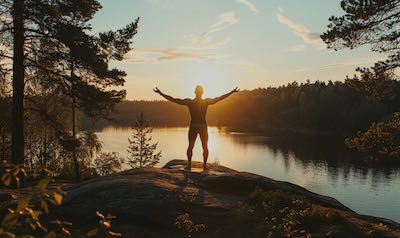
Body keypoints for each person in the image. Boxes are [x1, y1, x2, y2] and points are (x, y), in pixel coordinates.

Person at [153, 85, 239, 171]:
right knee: (204, 146)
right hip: (202, 126)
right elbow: (219, 98)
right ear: (202, 93)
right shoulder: (205, 102)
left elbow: (174, 100)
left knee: (191, 146)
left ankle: (190, 165)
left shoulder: (190, 102)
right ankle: (204, 166)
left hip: (194, 126)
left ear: (195, 92)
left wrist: (161, 93)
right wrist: (231, 92)